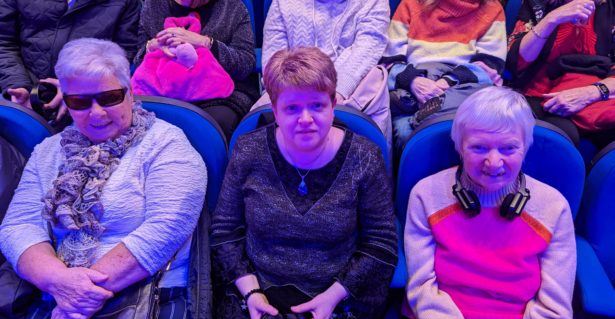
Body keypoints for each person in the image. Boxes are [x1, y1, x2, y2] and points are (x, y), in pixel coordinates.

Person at [0, 38, 207, 319]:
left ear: (130, 92)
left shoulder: (166, 143)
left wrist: (84, 293)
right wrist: (61, 282)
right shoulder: (48, 151)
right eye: (80, 102)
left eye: (110, 98)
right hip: (59, 295)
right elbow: (17, 227)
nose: (96, 113)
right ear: (66, 101)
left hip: (152, 293)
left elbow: (167, 227)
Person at [211, 47, 397, 319]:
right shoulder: (249, 150)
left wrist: (333, 297)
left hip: (338, 302)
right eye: (292, 108)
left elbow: (380, 246)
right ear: (275, 110)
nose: (306, 119)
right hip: (253, 297)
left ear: (333, 104)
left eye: (317, 105)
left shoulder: (365, 158)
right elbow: (225, 232)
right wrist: (251, 292)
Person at [403, 86, 576, 319]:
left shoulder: (552, 206)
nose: (493, 162)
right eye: (479, 147)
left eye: (508, 148)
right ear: (459, 146)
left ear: (526, 146)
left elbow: (554, 310)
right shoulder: (427, 195)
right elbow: (423, 292)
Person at [258, 0, 392, 155]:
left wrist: (337, 92)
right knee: (260, 120)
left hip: (351, 91)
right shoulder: (283, 3)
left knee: (375, 80)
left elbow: (367, 49)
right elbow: (273, 59)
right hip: (290, 86)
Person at [383, 0, 506, 158]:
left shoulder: (492, 9)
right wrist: (414, 81)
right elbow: (389, 62)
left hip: (462, 84)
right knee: (403, 132)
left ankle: (425, 112)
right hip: (415, 81)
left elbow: (490, 67)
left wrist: (446, 82)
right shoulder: (410, 4)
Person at [0, 0, 141, 124]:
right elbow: (4, 42)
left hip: (88, 97)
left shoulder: (127, 3)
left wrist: (74, 88)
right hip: (22, 88)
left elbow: (121, 57)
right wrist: (17, 84)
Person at [135, 0, 259, 140]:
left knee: (214, 125)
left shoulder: (234, 8)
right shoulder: (153, 5)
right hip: (163, 90)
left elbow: (246, 64)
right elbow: (137, 58)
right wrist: (152, 46)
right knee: (138, 122)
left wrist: (206, 43)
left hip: (219, 95)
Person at [507, 0, 615, 148]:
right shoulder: (537, 4)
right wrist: (552, 19)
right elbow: (516, 62)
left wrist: (594, 92)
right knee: (558, 136)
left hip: (598, 93)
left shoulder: (611, 8)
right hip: (542, 95)